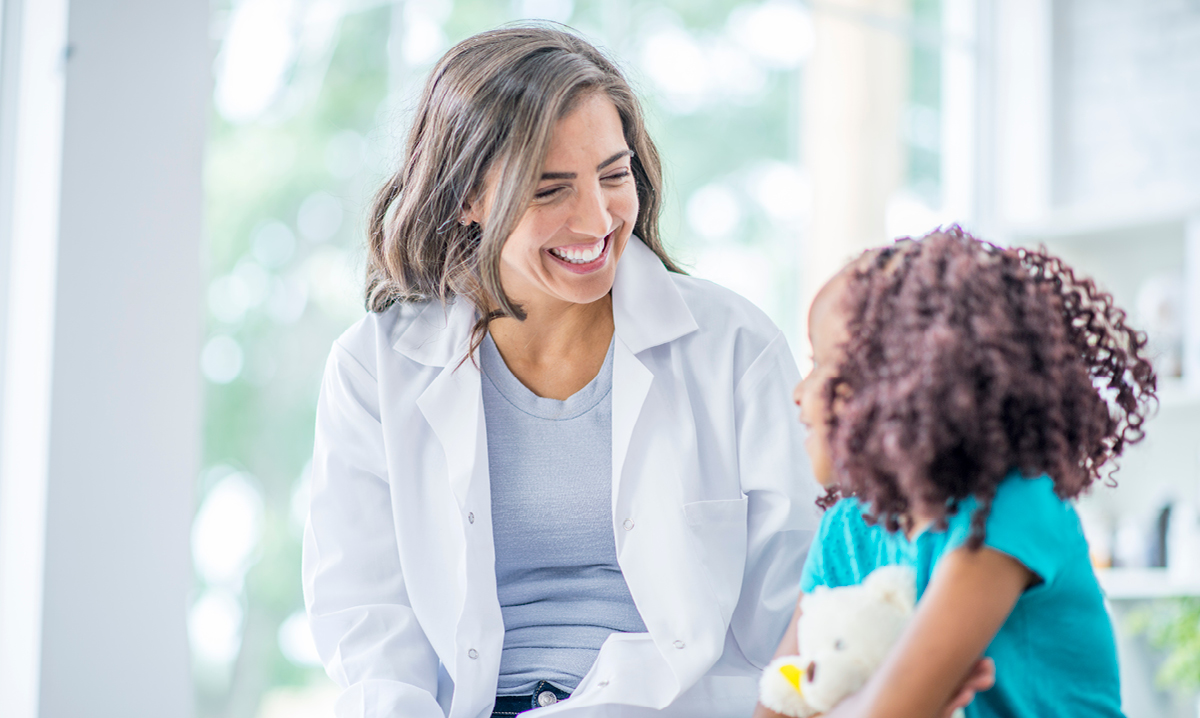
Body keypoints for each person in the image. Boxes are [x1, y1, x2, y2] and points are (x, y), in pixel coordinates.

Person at [301, 26, 821, 718]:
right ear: (466, 199)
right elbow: (369, 623)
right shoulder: (375, 368)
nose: (599, 218)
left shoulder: (733, 347)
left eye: (613, 175)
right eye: (550, 190)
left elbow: (791, 603)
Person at [755, 227, 1156, 718]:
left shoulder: (1011, 503)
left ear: (903, 378)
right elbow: (776, 706)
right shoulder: (845, 530)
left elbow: (887, 712)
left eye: (822, 363)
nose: (801, 390)